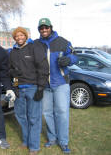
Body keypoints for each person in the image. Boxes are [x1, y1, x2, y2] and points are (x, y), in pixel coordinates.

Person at [36, 18, 77, 154]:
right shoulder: (36, 44)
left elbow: (74, 56)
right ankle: (52, 138)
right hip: (45, 85)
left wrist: (69, 59)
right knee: (47, 113)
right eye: (41, 28)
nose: (44, 30)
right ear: (39, 30)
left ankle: (63, 142)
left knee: (62, 113)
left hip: (60, 83)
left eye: (46, 27)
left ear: (51, 27)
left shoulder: (63, 41)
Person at [9, 27, 49, 155]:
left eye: (21, 35)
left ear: (25, 36)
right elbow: (12, 72)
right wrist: (15, 86)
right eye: (17, 36)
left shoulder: (34, 47)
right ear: (14, 38)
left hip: (33, 88)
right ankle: (26, 141)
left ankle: (34, 147)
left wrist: (41, 87)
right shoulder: (13, 52)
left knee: (34, 118)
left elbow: (43, 68)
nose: (19, 38)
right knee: (20, 116)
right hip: (19, 90)